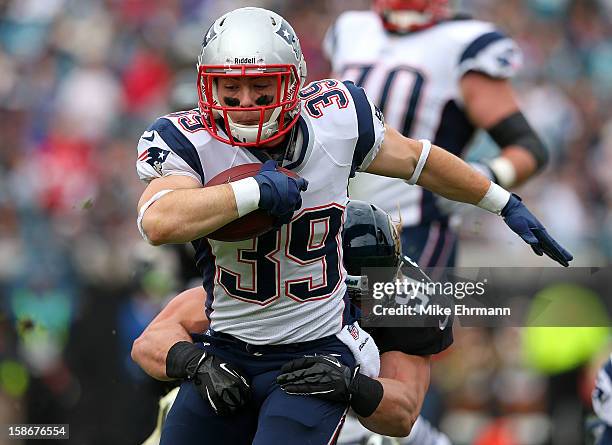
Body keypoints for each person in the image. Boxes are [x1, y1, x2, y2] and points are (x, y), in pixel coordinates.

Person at [135, 7, 571, 444]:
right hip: (230, 348)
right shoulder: (187, 138)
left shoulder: (337, 120)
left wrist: (500, 200)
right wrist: (252, 192)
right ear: (207, 84)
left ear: (292, 81)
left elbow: (419, 160)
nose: (246, 103)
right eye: (231, 88)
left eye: (261, 85)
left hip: (312, 352)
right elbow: (157, 220)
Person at [133, 200, 452, 443]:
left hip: (351, 416)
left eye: (373, 289)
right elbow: (151, 340)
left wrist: (350, 385)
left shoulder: (409, 300)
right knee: (183, 403)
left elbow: (403, 414)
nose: (361, 303)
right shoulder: (278, 277)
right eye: (350, 293)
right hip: (248, 392)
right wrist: (196, 363)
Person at [324, 0, 549, 270]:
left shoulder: (465, 42)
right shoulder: (351, 29)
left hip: (415, 228)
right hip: (336, 223)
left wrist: (487, 176)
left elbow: (529, 147)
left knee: (400, 314)